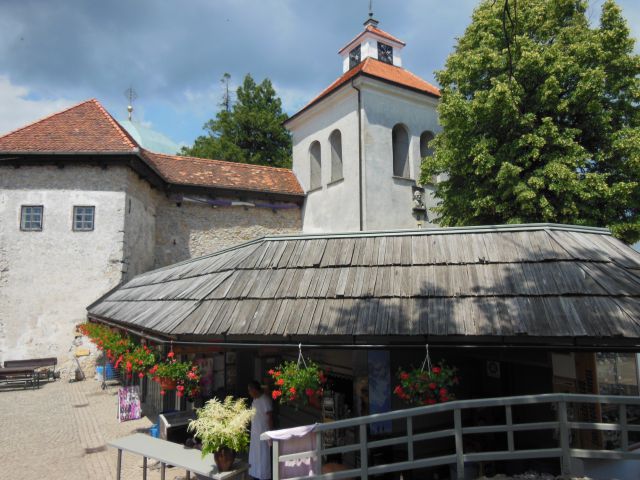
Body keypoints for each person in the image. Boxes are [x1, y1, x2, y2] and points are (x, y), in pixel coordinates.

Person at [248, 380, 273, 480]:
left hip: (264, 433)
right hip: (255, 433)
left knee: (263, 457)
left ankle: (264, 477)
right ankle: (255, 476)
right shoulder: (255, 400)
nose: (249, 393)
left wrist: (270, 434)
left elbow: (270, 417)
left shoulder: (265, 400)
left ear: (254, 390)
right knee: (255, 457)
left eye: (250, 390)